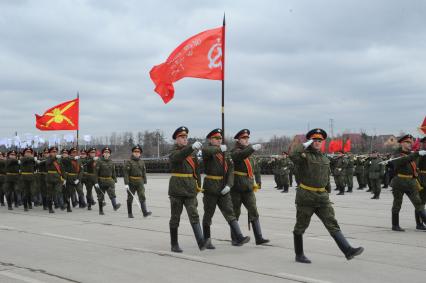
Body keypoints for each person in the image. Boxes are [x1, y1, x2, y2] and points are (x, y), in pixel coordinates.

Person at [290, 128, 364, 263]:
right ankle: (299, 254)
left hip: (322, 197)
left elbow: (325, 176)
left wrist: (327, 191)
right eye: (314, 140)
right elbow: (293, 155)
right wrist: (304, 145)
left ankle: (347, 250)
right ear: (310, 141)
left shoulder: (324, 157)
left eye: (319, 140)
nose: (317, 142)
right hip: (306, 196)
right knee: (301, 226)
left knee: (332, 223)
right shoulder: (303, 155)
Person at [201, 128, 250, 248]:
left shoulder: (226, 153)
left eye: (220, 139)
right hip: (211, 187)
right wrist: (219, 149)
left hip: (223, 186)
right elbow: (207, 151)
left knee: (230, 212)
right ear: (210, 139)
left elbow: (231, 170)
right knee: (208, 214)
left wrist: (229, 185)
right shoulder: (207, 150)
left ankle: (239, 236)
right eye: (216, 138)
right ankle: (207, 240)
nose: (218, 140)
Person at [168, 126, 210, 253]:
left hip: (190, 188)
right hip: (177, 189)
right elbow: (179, 156)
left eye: (186, 137)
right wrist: (191, 147)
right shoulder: (173, 151)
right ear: (176, 139)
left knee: (194, 214)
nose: (185, 139)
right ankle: (174, 244)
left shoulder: (192, 153)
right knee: (175, 217)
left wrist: (198, 184)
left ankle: (201, 242)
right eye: (182, 137)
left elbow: (196, 170)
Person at [230, 129, 269, 245]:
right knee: (235, 213)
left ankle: (259, 237)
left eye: (247, 138)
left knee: (253, 211)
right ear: (238, 140)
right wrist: (251, 148)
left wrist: (258, 181)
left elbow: (255, 169)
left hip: (248, 187)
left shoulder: (250, 154)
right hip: (236, 188)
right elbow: (241, 155)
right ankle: (235, 238)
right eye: (244, 138)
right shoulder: (235, 151)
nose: (246, 140)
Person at [389, 134, 426, 231]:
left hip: (411, 182)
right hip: (399, 182)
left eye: (411, 142)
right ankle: (395, 225)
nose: (410, 144)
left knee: (418, 203)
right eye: (407, 142)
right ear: (402, 143)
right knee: (397, 204)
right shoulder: (396, 155)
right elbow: (403, 160)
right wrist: (416, 154)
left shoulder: (412, 154)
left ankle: (422, 223)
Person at [123, 145, 152, 218]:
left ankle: (144, 212)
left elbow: (144, 171)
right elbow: (126, 173)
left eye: (138, 152)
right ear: (133, 153)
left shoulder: (142, 162)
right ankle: (130, 213)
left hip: (140, 181)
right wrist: (126, 183)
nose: (137, 153)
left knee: (142, 196)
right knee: (130, 197)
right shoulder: (129, 162)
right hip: (131, 182)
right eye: (135, 152)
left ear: (140, 153)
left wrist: (145, 180)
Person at [94, 147, 121, 215]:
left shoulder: (111, 162)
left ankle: (115, 206)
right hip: (101, 180)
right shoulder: (99, 162)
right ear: (103, 154)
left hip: (109, 180)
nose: (106, 154)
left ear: (109, 154)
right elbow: (96, 173)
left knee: (112, 193)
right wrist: (96, 182)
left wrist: (114, 179)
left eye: (108, 153)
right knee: (101, 196)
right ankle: (101, 210)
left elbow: (113, 171)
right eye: (105, 153)